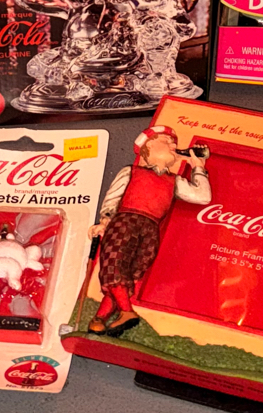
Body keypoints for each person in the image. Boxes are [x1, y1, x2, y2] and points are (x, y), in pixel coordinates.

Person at [87, 125, 211, 335]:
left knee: (130, 274)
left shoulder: (174, 181)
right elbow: (112, 198)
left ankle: (99, 319)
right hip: (125, 222)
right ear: (148, 147)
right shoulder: (131, 172)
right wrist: (104, 221)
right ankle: (127, 312)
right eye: (166, 141)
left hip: (151, 229)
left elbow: (203, 197)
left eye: (173, 143)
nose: (173, 145)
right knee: (114, 267)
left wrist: (198, 167)